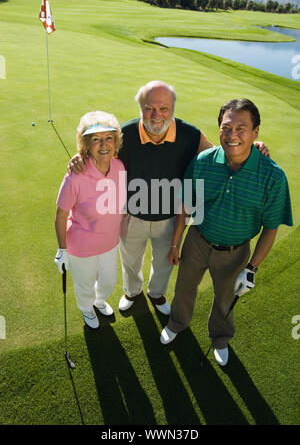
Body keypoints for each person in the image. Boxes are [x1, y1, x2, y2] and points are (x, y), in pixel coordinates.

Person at [68, 82, 269, 317]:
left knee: (163, 263)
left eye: (164, 108)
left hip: (171, 218)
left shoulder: (191, 135)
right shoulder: (125, 134)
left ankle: (156, 293)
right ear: (141, 108)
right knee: (130, 261)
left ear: (173, 107)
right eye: (149, 108)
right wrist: (79, 156)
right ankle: (132, 292)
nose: (156, 115)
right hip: (131, 215)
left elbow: (223, 154)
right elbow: (99, 151)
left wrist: (253, 147)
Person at [160, 98, 293, 366]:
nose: (232, 135)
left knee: (225, 297)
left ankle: (220, 339)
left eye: (241, 128)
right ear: (219, 128)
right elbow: (185, 204)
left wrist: (252, 268)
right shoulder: (203, 161)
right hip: (197, 240)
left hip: (235, 251)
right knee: (185, 287)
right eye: (226, 127)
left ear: (256, 132)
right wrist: (175, 244)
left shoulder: (273, 177)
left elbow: (270, 227)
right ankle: (176, 323)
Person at [54, 111, 126, 329]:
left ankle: (99, 300)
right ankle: (87, 308)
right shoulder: (75, 175)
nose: (103, 144)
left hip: (110, 242)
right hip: (82, 244)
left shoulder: (119, 166)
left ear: (115, 141)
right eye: (95, 139)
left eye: (108, 138)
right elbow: (61, 215)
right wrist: (62, 250)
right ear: (86, 144)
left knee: (108, 281)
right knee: (84, 284)